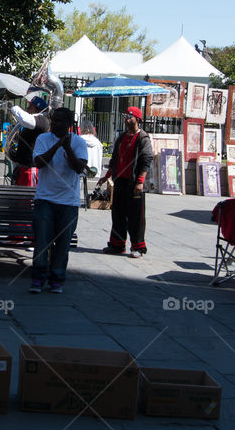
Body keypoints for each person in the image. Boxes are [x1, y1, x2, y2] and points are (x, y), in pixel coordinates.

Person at [28, 107, 87, 294]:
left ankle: (57, 279)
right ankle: (38, 278)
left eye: (60, 121)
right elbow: (39, 163)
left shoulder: (79, 143)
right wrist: (57, 145)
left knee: (62, 245)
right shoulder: (42, 139)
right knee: (41, 242)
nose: (55, 124)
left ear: (69, 125)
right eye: (54, 120)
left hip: (68, 203)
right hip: (44, 200)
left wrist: (67, 147)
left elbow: (79, 168)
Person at [99, 107, 154, 258]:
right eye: (126, 116)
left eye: (130, 116)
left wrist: (140, 182)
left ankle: (138, 247)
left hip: (134, 183)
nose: (126, 119)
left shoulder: (143, 138)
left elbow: (146, 160)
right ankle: (117, 245)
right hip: (120, 181)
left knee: (135, 216)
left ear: (137, 119)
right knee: (117, 214)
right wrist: (107, 176)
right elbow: (115, 159)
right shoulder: (121, 137)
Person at [9, 96, 50, 186]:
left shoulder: (41, 120)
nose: (27, 109)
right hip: (24, 167)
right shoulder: (35, 122)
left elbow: (24, 118)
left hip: (30, 169)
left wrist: (13, 107)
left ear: (37, 109)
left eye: (30, 107)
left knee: (28, 198)